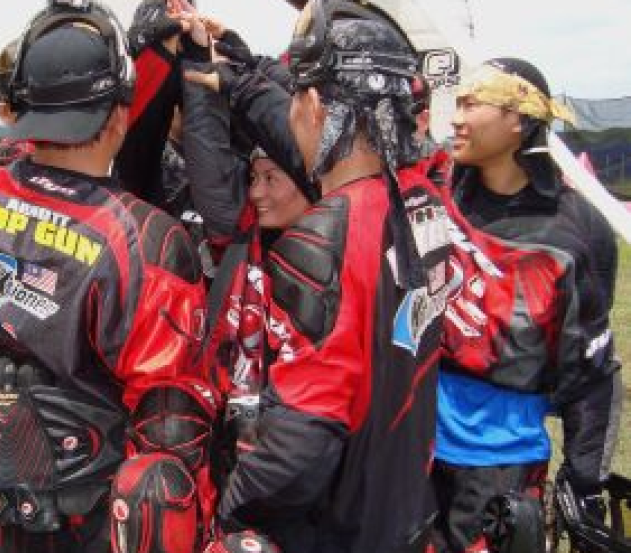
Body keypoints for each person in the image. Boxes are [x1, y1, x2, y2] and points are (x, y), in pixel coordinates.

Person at [189, 2, 452, 551]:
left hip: (338, 526)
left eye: (295, 99)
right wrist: (241, 70)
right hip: (406, 508)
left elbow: (302, 445)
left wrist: (230, 513)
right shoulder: (424, 202)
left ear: (311, 106)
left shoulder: (321, 238)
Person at [0, 3, 215, 552]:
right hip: (100, 516)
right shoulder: (149, 241)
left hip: (12, 501)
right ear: (119, 115)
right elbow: (169, 430)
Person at [432, 57, 624, 553]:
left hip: (502, 470)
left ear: (517, 117)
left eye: (471, 104)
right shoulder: (436, 201)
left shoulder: (574, 232)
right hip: (411, 454)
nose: (456, 118)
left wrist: (584, 483)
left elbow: (594, 372)